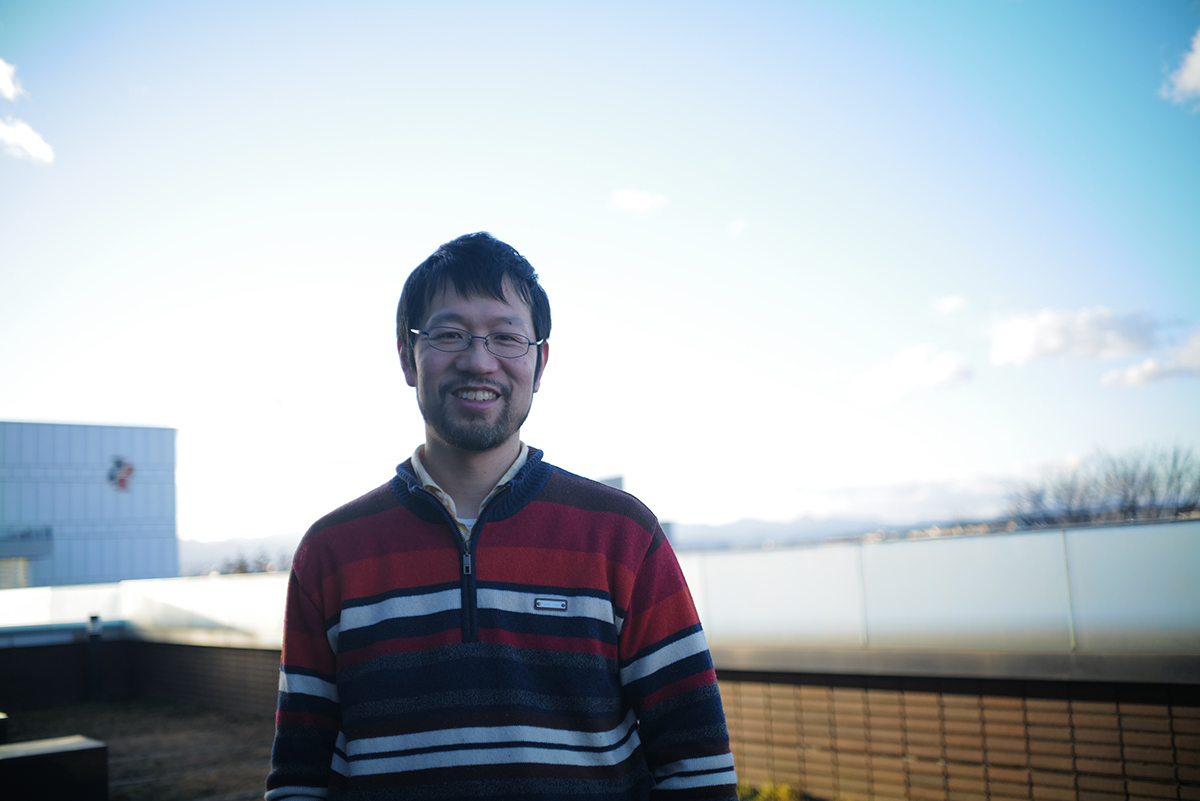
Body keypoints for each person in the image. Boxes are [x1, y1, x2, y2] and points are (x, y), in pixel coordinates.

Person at [266, 232, 737, 800]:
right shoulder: (331, 551)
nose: (478, 361)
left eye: (507, 337)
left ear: (540, 362)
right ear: (406, 356)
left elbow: (698, 766)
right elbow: (299, 779)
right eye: (450, 334)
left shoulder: (622, 535)